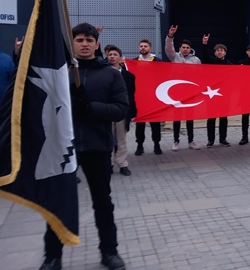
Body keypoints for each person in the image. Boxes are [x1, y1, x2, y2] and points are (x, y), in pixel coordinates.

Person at [40, 23, 129, 270]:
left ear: (97, 44)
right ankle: (52, 256)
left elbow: (122, 109)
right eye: (79, 39)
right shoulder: (60, 73)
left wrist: (90, 108)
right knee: (57, 201)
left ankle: (109, 252)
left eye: (90, 39)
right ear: (73, 43)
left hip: (97, 146)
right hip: (62, 149)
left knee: (103, 201)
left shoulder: (110, 74)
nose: (85, 44)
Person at [165, 25, 201, 151]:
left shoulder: (196, 60)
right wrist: (170, 36)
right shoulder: (174, 57)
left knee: (190, 117)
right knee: (177, 117)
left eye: (187, 48)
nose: (185, 49)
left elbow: (201, 75)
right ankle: (176, 141)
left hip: (190, 92)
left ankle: (191, 141)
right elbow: (169, 48)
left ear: (190, 49)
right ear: (180, 48)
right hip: (177, 92)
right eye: (183, 47)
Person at [106, 45, 136, 177]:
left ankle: (122, 163)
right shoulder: (103, 73)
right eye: (110, 54)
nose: (112, 57)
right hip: (107, 110)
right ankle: (109, 164)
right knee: (107, 138)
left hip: (121, 111)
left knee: (121, 139)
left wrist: (133, 112)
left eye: (114, 54)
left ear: (120, 58)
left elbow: (131, 95)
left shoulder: (129, 76)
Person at [200, 34, 232, 147]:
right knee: (211, 118)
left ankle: (223, 139)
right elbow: (204, 56)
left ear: (225, 52)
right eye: (217, 50)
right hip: (211, 95)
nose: (219, 52)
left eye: (222, 50)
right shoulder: (211, 63)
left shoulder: (230, 66)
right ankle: (211, 140)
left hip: (224, 96)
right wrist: (204, 44)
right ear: (215, 53)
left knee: (224, 118)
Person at [133, 39, 163, 155]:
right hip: (140, 98)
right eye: (141, 46)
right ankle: (139, 145)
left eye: (145, 46)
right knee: (140, 123)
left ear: (150, 48)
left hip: (154, 97)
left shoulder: (158, 61)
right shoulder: (134, 62)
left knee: (155, 123)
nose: (143, 48)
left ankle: (157, 144)